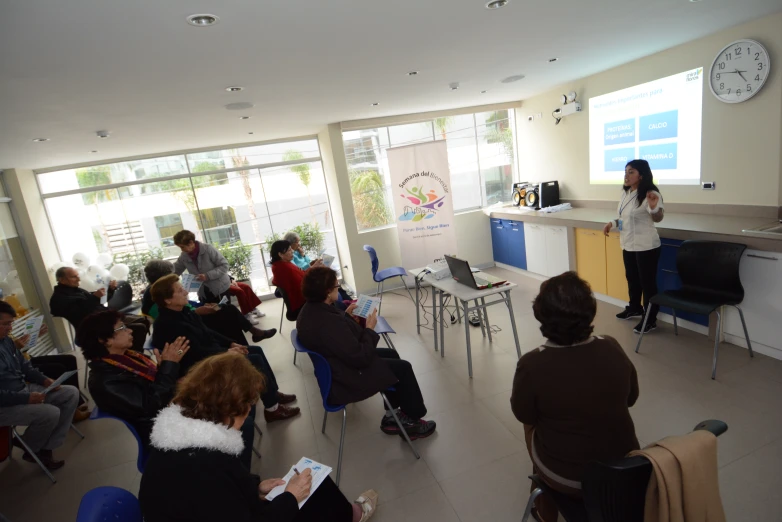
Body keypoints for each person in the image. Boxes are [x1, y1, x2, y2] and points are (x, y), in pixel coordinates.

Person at [138, 352, 379, 522]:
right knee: (309, 492)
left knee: (314, 482)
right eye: (250, 406)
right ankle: (353, 515)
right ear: (233, 409)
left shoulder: (182, 437)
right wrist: (290, 498)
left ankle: (350, 515)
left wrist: (256, 488)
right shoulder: (207, 464)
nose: (248, 416)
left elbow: (220, 497)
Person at [511, 271, 640, 522]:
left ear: (541, 315)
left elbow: (523, 414)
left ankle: (544, 507)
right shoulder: (611, 345)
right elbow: (631, 398)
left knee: (530, 423)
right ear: (590, 311)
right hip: (626, 471)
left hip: (569, 480)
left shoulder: (531, 363)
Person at [296, 267, 435, 439]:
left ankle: (393, 415)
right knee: (404, 368)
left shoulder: (310, 310)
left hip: (336, 365)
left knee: (391, 354)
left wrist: (345, 317)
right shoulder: (327, 322)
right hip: (345, 376)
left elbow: (336, 339)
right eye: (336, 286)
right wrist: (369, 329)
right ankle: (413, 420)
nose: (338, 288)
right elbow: (360, 357)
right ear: (327, 291)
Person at [151, 274, 299, 423]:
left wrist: (231, 344)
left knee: (255, 350)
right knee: (253, 359)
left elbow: (208, 333)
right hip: (198, 368)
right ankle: (272, 409)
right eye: (180, 290)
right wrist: (227, 353)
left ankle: (273, 393)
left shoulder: (183, 312)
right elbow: (193, 354)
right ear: (167, 300)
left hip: (210, 355)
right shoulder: (167, 325)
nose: (186, 292)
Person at [76, 310, 188, 448]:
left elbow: (153, 387)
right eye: (122, 327)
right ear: (104, 340)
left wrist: (164, 367)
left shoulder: (128, 358)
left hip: (169, 412)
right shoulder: (105, 382)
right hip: (164, 432)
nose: (129, 331)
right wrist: (168, 367)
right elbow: (152, 406)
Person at [0, 301, 79, 471]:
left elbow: (25, 366)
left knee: (70, 393)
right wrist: (27, 398)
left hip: (21, 391)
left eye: (11, 323)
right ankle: (33, 447)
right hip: (5, 404)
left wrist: (45, 380)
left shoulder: (6, 341)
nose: (10, 328)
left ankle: (42, 447)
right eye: (6, 324)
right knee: (50, 413)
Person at [142, 259, 275, 343]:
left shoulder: (159, 288)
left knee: (228, 310)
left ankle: (247, 341)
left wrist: (201, 305)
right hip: (189, 328)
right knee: (228, 316)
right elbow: (174, 317)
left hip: (192, 318)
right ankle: (246, 342)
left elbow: (185, 307)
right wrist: (198, 311)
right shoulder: (155, 295)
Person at [603, 159, 664, 334]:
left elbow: (658, 217)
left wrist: (654, 208)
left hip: (646, 246)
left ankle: (650, 319)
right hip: (628, 244)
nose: (626, 175)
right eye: (625, 171)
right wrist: (612, 223)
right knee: (632, 278)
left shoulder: (650, 193)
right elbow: (624, 218)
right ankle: (635, 307)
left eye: (631, 172)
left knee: (647, 284)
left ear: (641, 175)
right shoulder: (627, 193)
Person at [49, 266, 149, 352]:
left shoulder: (77, 290)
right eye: (74, 277)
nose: (78, 279)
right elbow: (80, 312)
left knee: (144, 321)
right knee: (139, 327)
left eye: (77, 275)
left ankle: (131, 354)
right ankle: (129, 358)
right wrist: (94, 297)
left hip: (107, 320)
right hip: (93, 330)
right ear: (61, 280)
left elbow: (98, 302)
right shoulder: (59, 298)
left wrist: (110, 290)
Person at [172, 230, 266, 321]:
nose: (182, 250)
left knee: (225, 315)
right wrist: (167, 280)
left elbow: (224, 265)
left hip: (219, 288)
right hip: (202, 291)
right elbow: (176, 269)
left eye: (182, 247)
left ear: (191, 243)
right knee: (210, 317)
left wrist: (207, 276)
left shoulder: (208, 249)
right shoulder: (184, 256)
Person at [270, 240, 326, 319]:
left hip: (296, 299)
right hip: (301, 302)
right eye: (289, 250)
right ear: (280, 254)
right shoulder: (286, 268)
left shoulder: (279, 265)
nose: (292, 251)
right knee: (328, 292)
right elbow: (303, 284)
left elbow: (301, 275)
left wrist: (313, 268)